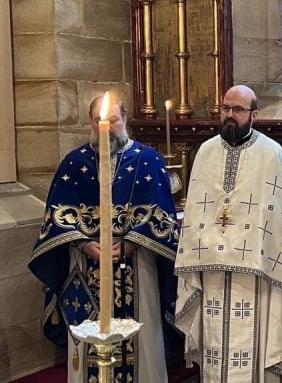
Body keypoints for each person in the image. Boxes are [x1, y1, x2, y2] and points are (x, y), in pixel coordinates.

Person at [29, 96, 178, 382]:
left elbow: (163, 217)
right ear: (90, 123)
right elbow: (56, 216)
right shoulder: (74, 163)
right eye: (99, 121)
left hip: (137, 265)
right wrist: (84, 244)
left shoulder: (148, 160)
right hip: (86, 268)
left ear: (125, 120)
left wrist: (132, 242)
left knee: (142, 340)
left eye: (113, 120)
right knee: (87, 344)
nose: (106, 127)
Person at [174, 84, 282, 382]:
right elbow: (196, 209)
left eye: (238, 110)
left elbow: (277, 218)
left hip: (255, 273)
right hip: (210, 268)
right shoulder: (205, 152)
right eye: (225, 109)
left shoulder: (271, 153)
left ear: (253, 114)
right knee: (213, 346)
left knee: (254, 346)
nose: (230, 116)